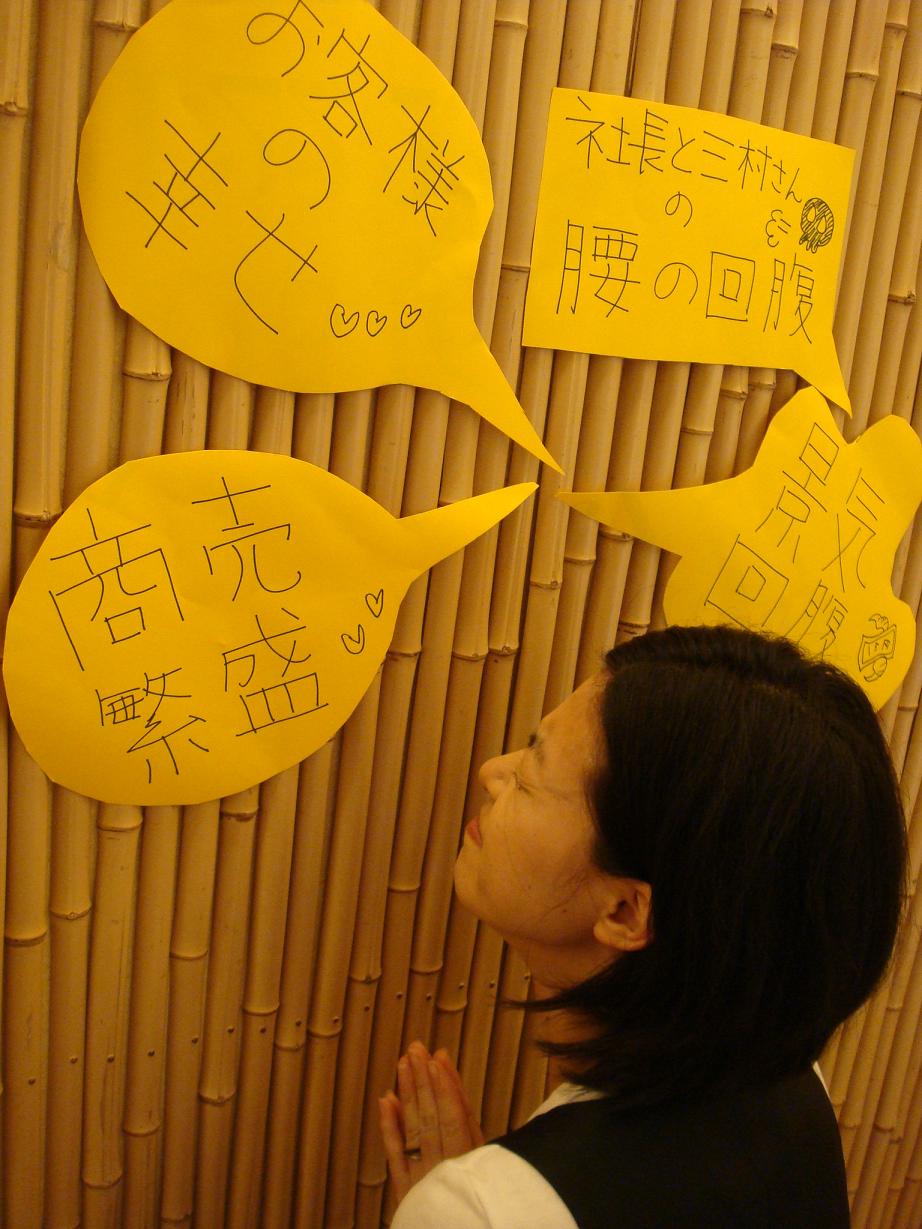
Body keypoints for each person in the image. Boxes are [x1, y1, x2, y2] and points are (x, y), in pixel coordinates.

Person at [378, 624, 907, 1228]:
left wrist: (472, 1208)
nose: (492, 772)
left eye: (528, 776)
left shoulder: (480, 1210)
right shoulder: (788, 1079)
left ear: (626, 912)